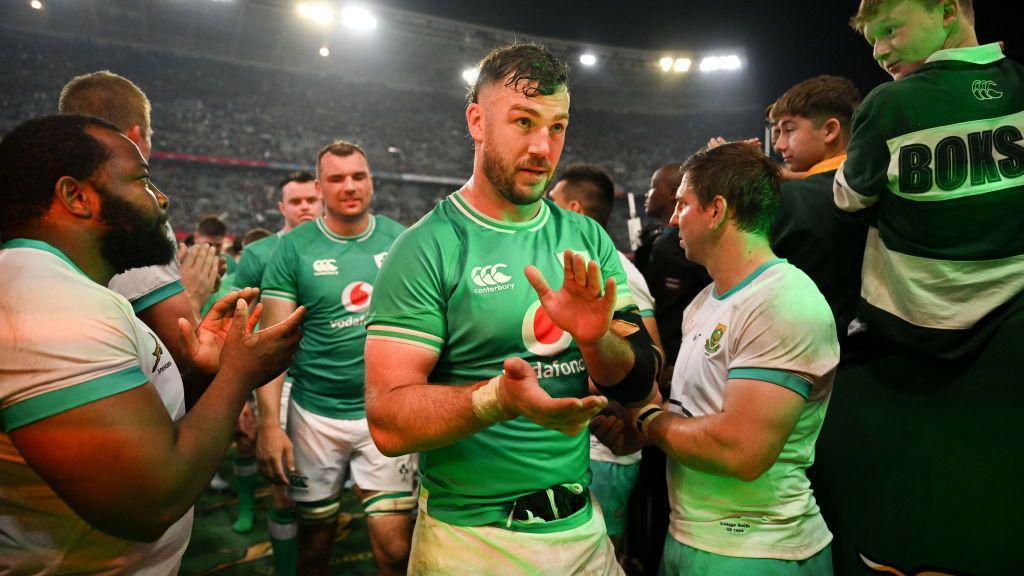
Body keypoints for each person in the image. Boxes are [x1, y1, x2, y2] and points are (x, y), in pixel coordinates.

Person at [364, 42, 661, 575]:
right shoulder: (427, 246)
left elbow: (639, 378)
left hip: (582, 527)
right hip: (474, 541)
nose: (544, 147)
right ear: (477, 122)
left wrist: (598, 340)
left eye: (557, 126)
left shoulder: (586, 238)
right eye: (523, 122)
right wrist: (499, 400)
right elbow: (388, 422)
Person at [0, 113, 303, 574]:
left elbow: (143, 422)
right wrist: (239, 374)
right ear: (76, 197)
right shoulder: (47, 302)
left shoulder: (63, 288)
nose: (161, 197)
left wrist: (205, 371)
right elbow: (151, 502)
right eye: (141, 180)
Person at [596, 143, 839, 575]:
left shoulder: (782, 300)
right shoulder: (704, 303)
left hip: (758, 551)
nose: (672, 219)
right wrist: (635, 428)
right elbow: (693, 413)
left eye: (683, 204)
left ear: (717, 210)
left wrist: (649, 420)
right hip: (690, 536)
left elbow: (741, 450)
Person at [256, 141, 412, 576]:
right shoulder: (293, 249)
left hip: (382, 409)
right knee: (315, 546)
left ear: (371, 182)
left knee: (396, 550)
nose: (350, 186)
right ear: (320, 186)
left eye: (358, 176)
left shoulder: (399, 240)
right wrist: (269, 422)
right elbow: (272, 344)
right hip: (314, 416)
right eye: (337, 178)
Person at [838, 0, 1024, 359]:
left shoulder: (888, 104)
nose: (879, 52)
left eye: (890, 30)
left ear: (947, 12)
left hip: (915, 332)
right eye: (872, 40)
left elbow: (848, 200)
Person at [58, 70, 222, 401]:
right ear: (135, 135)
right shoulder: (133, 210)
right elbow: (180, 351)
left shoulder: (49, 199)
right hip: (122, 406)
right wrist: (193, 291)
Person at [232, 171, 321, 573]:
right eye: (296, 201)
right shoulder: (259, 254)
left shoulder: (343, 247)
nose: (305, 207)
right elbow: (236, 322)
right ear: (281, 207)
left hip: (328, 385)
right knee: (283, 486)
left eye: (311, 200)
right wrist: (237, 393)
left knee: (319, 494)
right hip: (278, 381)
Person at [768, 75, 868, 359]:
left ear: (830, 130)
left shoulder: (789, 199)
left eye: (789, 130)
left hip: (803, 354)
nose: (779, 145)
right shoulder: (883, 185)